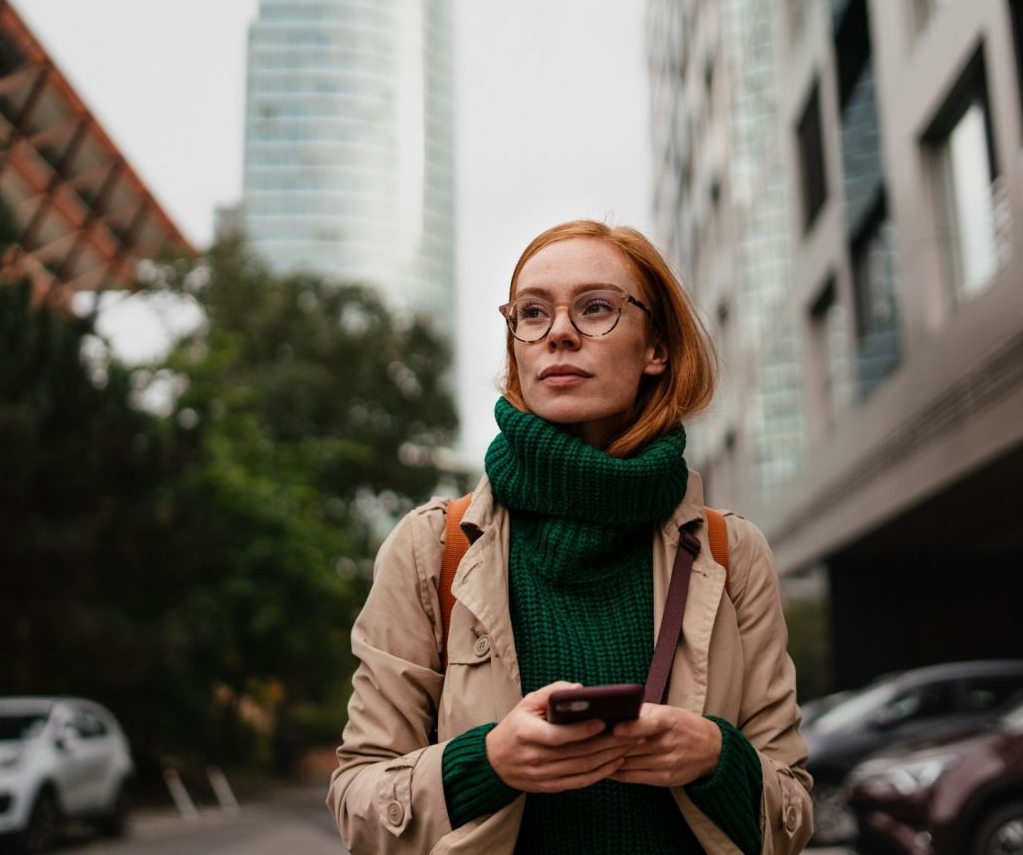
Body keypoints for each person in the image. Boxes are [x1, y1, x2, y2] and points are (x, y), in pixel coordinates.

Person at [327, 219, 813, 854]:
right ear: (518, 347)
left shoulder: (730, 552)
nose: (559, 332)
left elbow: (795, 815)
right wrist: (487, 763)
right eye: (532, 313)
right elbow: (357, 804)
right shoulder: (433, 548)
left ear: (655, 349)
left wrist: (717, 758)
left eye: (596, 308)